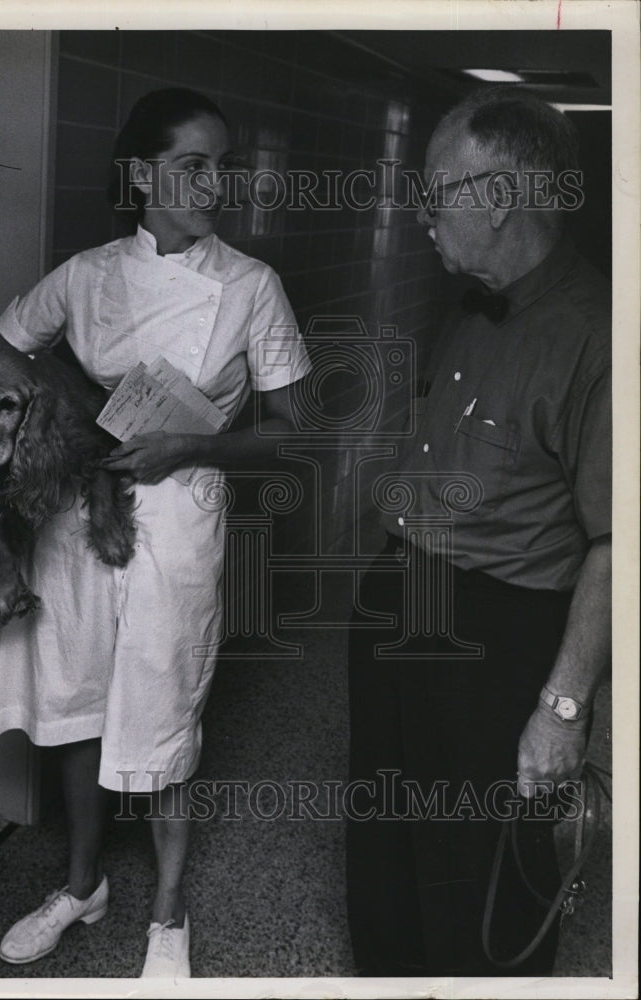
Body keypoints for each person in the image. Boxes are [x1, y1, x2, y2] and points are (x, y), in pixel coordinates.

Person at [0, 87, 311, 977]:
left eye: (222, 165)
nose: (215, 183)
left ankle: (169, 913)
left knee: (161, 709)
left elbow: (297, 435)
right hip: (76, 518)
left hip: (180, 521)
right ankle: (81, 886)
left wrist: (192, 442)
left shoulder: (250, 288)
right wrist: (50, 396)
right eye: (194, 164)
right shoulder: (85, 276)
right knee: (75, 706)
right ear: (142, 172)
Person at [346, 87, 611, 977]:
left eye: (438, 192)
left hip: (499, 632)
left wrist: (563, 710)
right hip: (401, 595)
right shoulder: (472, 300)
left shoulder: (600, 338)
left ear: (499, 201)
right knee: (385, 831)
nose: (422, 214)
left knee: (484, 863)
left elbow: (619, 545)